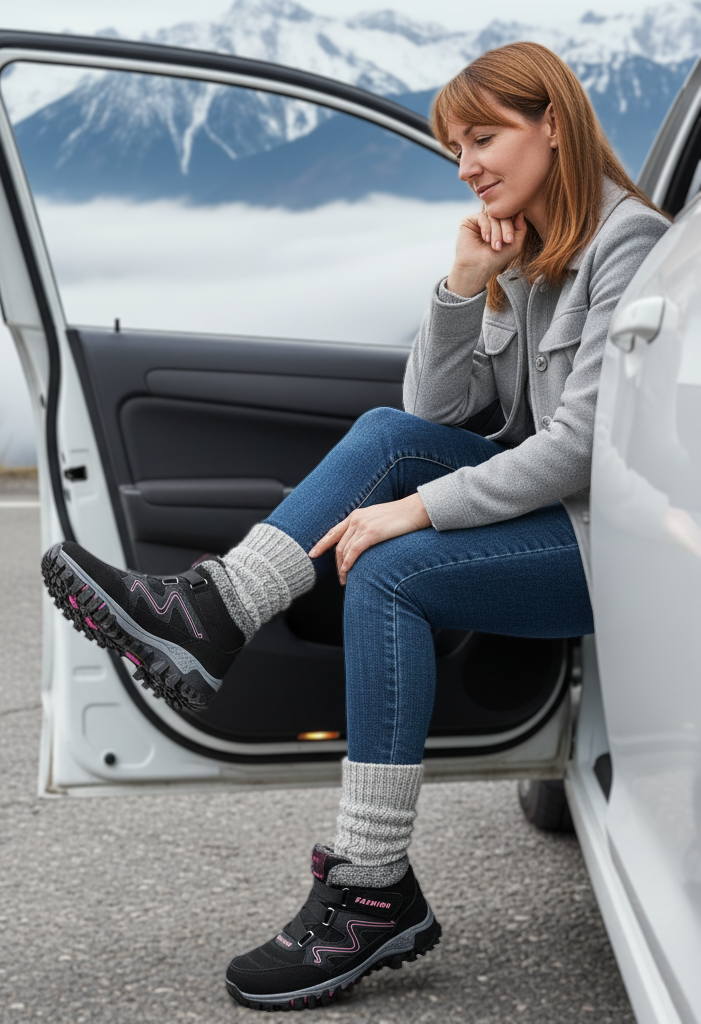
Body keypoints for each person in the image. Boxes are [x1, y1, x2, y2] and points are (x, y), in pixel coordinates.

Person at [41, 41, 669, 1011]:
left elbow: (581, 448)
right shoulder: (525, 250)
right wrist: (462, 287)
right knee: (385, 434)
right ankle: (217, 606)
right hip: (549, 509)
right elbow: (430, 411)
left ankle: (371, 885)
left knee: (391, 567)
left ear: (554, 122)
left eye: (484, 136)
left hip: (607, 540)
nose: (466, 163)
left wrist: (416, 509)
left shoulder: (624, 244)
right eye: (455, 145)